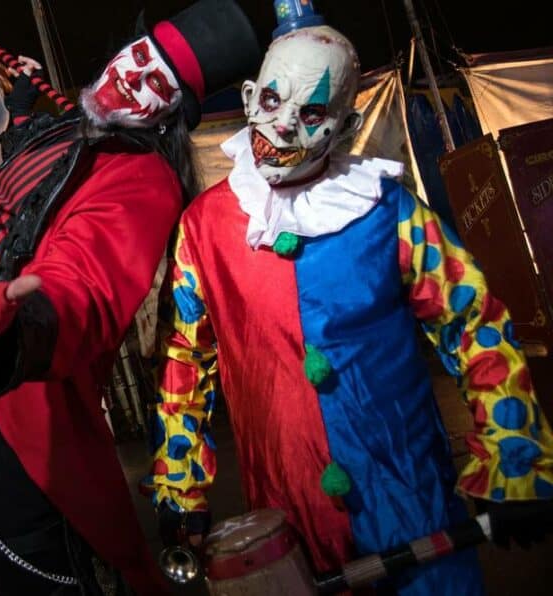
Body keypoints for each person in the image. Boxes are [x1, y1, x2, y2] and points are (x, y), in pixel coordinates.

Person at [143, 1, 553, 593]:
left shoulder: (389, 210)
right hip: (287, 520)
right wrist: (180, 486)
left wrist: (515, 457)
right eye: (274, 101)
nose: (284, 126)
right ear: (253, 94)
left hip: (410, 503)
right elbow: (184, 360)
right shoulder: (204, 228)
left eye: (313, 114)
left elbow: (475, 325)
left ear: (346, 128)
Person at [0, 1, 259, 593]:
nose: (129, 76)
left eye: (153, 81)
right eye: (135, 58)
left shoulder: (140, 177)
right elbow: (22, 198)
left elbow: (83, 279)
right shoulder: (70, 134)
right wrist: (17, 113)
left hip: (19, 407)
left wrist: (12, 322)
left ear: (167, 115)